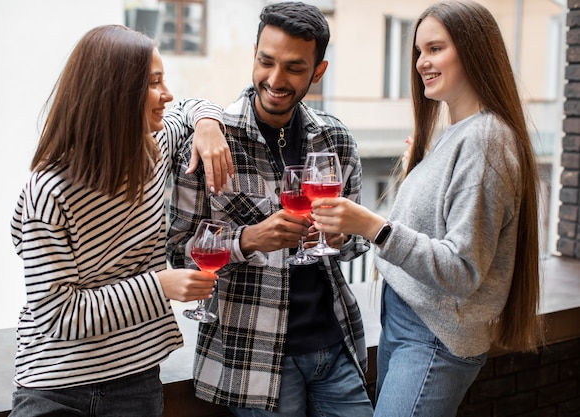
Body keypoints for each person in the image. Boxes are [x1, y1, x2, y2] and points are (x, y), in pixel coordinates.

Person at [310, 1, 544, 416]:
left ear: (474, 50)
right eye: (419, 51)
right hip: (408, 324)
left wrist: (374, 226)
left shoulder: (486, 139)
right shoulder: (455, 134)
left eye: (435, 48)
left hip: (433, 336)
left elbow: (463, 270)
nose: (422, 62)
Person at [8, 24, 233, 417]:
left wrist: (208, 126)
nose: (168, 94)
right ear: (115, 94)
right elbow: (58, 314)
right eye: (154, 83)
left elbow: (194, 105)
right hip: (56, 387)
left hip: (136, 380)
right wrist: (160, 286)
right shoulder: (50, 189)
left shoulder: (154, 147)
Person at [166, 2, 374, 416]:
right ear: (254, 56)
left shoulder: (336, 139)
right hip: (256, 359)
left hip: (336, 345)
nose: (275, 80)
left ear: (318, 71)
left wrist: (339, 236)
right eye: (266, 62)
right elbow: (177, 252)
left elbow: (354, 244)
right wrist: (249, 239)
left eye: (295, 68)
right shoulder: (211, 140)